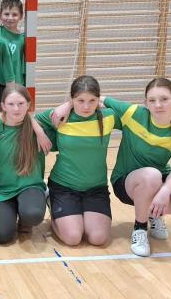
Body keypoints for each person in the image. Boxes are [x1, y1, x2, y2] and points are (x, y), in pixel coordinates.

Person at [53, 77, 171, 256]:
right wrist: (68, 105)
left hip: (157, 177)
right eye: (152, 100)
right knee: (151, 176)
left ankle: (153, 213)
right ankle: (140, 229)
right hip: (127, 181)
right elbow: (96, 99)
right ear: (145, 103)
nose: (158, 105)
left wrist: (164, 193)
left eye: (164, 99)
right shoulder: (132, 114)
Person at [36, 76, 119, 246]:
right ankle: (51, 200)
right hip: (64, 187)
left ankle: (77, 214)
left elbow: (137, 114)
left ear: (99, 100)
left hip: (96, 189)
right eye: (80, 101)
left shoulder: (109, 117)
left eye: (92, 100)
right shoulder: (60, 116)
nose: (86, 106)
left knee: (98, 238)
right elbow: (29, 119)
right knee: (73, 238)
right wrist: (40, 134)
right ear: (72, 99)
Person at [0, 84, 46, 244]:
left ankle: (27, 213)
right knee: (2, 235)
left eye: (21, 103)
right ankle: (15, 211)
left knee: (33, 214)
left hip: (29, 185)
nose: (16, 109)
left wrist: (39, 130)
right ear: (3, 106)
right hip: (2, 190)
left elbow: (62, 111)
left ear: (29, 104)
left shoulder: (39, 126)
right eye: (11, 104)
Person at [0, 0, 25, 85]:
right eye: (6, 14)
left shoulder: (23, 38)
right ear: (0, 15)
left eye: (14, 14)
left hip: (15, 82)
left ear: (21, 16)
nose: (10, 18)